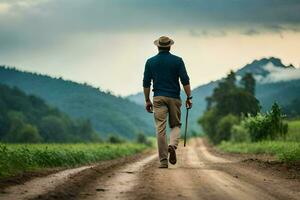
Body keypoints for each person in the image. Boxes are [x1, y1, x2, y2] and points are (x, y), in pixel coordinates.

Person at [143, 36, 192, 168]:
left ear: (158, 46)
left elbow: (146, 83)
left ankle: (163, 161)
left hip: (158, 98)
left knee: (160, 129)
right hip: (174, 97)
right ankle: (172, 146)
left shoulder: (150, 62)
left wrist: (147, 100)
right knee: (175, 125)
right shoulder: (178, 61)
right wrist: (189, 97)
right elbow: (185, 80)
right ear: (170, 46)